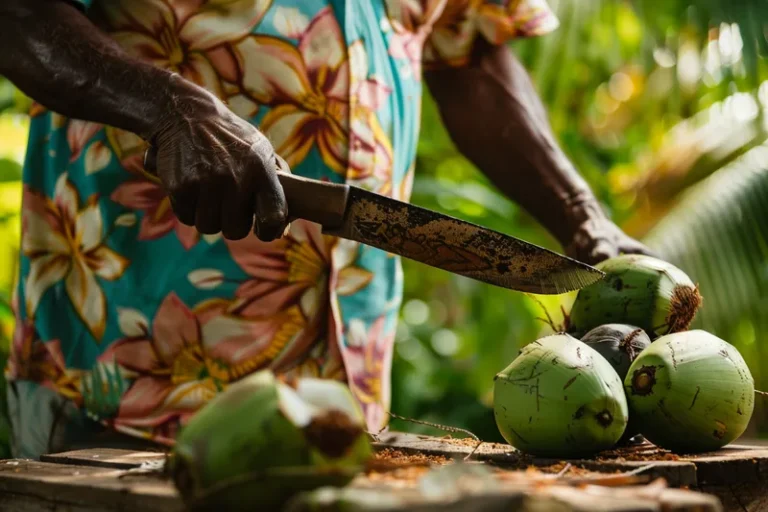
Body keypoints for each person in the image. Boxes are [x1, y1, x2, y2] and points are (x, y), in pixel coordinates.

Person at [0, 0, 651, 459]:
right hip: (126, 374)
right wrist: (166, 107)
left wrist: (581, 215)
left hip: (341, 408)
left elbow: (469, 50)